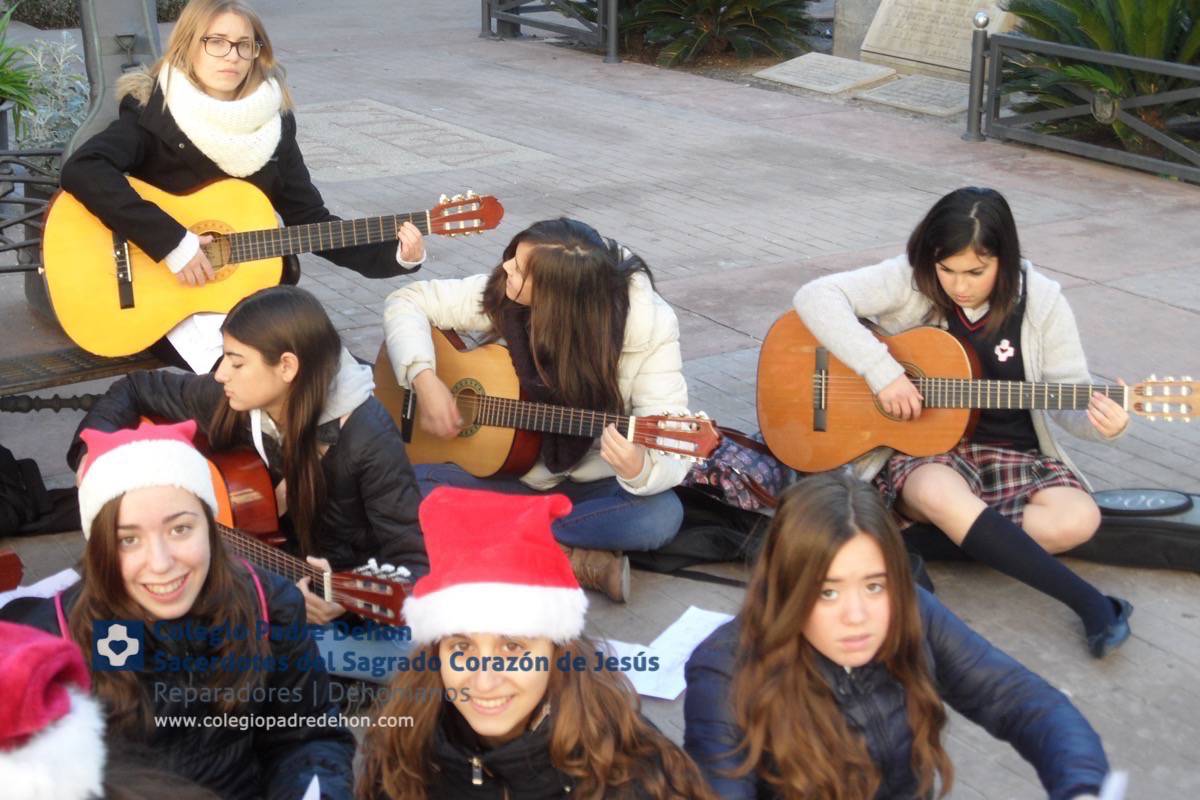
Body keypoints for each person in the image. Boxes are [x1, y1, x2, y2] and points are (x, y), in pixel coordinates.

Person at [792, 186, 1131, 658]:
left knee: (1078, 520)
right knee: (936, 491)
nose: (960, 285)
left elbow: (1068, 392)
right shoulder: (910, 278)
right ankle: (1093, 603)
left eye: (976, 271)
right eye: (947, 270)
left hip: (1013, 451)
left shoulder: (1043, 301)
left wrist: (1101, 423)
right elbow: (815, 295)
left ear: (1005, 260)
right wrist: (883, 373)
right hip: (929, 451)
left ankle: (917, 535)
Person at [66, 285, 427, 681]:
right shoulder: (232, 397)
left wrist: (342, 601)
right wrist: (93, 456)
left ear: (287, 367)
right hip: (251, 579)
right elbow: (134, 389)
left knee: (409, 656)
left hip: (329, 600)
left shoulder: (368, 439)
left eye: (236, 362)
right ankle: (118, 692)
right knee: (121, 591)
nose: (221, 373)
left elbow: (414, 563)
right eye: (224, 357)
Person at [684, 473, 1111, 800]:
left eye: (874, 585)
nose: (857, 616)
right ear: (787, 585)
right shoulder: (725, 672)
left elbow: (1021, 700)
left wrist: (1081, 788)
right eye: (827, 591)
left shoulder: (911, 610)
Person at [59, 0, 425, 372]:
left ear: (256, 54)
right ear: (188, 45)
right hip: (174, 304)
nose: (231, 56)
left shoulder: (274, 125)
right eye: (215, 41)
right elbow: (83, 169)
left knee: (343, 376)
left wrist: (394, 255)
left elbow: (310, 220)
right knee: (265, 377)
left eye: (244, 45)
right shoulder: (154, 112)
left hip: (250, 302)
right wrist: (172, 243)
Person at [0, 421, 355, 799]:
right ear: (99, 547)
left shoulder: (267, 604)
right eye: (129, 539)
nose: (161, 562)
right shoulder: (49, 644)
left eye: (180, 529)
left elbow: (306, 736)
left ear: (211, 527)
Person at [382, 217, 690, 603]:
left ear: (555, 298)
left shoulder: (649, 329)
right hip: (511, 478)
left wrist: (640, 468)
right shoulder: (506, 293)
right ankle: (569, 558)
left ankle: (498, 539)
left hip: (587, 486)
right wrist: (424, 379)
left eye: (518, 268)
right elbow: (408, 300)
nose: (505, 266)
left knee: (659, 516)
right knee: (401, 486)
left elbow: (671, 445)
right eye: (513, 256)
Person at [357, 487, 717, 800]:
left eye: (512, 648)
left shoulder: (635, 777)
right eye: (462, 648)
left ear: (558, 651)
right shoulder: (400, 751)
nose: (483, 681)